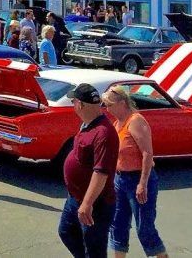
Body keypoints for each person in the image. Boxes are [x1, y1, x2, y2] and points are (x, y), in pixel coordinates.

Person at [102, 86, 168, 258]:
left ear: (122, 103)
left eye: (109, 105)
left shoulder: (136, 121)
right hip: (120, 180)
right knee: (118, 224)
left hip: (138, 179)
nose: (107, 109)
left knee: (144, 228)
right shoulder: (117, 123)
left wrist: (142, 184)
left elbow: (147, 153)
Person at [61, 83, 119, 258]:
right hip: (75, 198)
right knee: (66, 232)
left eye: (73, 101)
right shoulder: (87, 124)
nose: (73, 105)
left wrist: (87, 204)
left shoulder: (104, 133)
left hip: (96, 204)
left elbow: (101, 173)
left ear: (80, 104)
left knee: (94, 248)